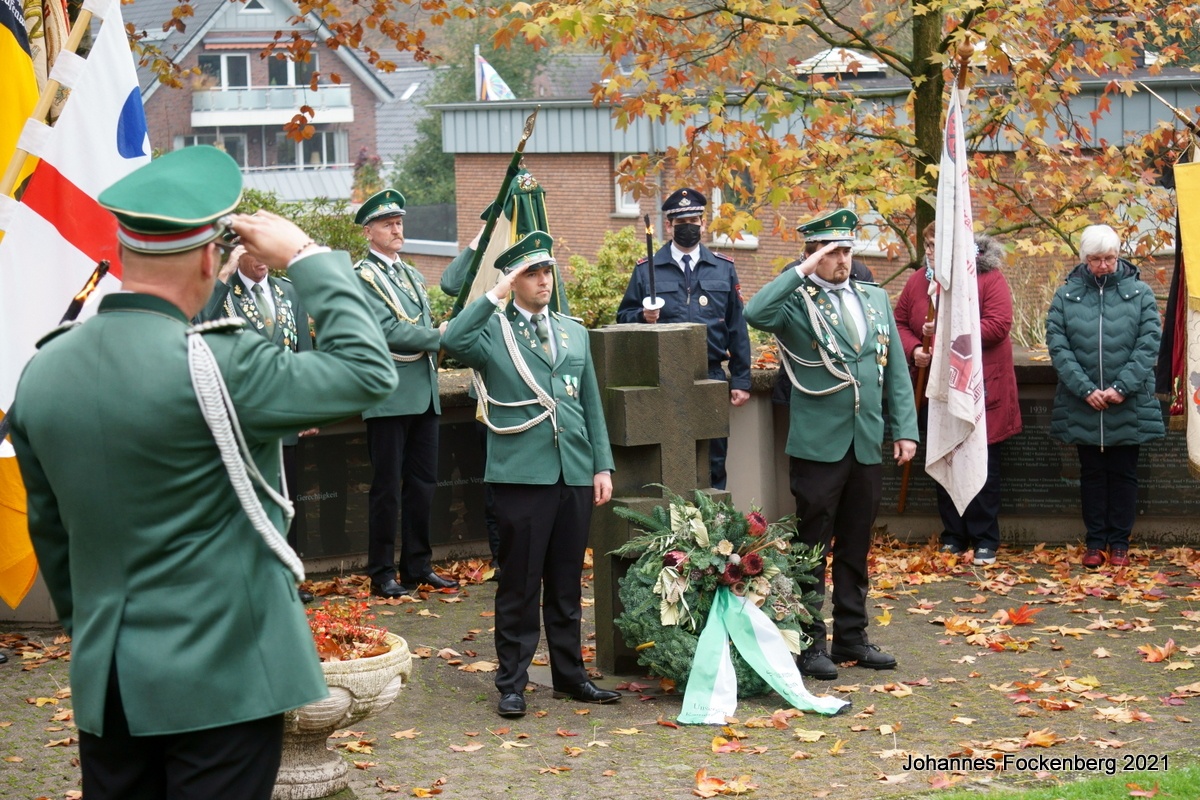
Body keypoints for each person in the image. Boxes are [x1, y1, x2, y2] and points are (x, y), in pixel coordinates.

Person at [7, 146, 397, 800]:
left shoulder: (44, 371)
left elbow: (53, 537)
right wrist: (305, 255)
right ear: (208, 260)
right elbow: (368, 372)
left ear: (122, 252)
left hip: (111, 681)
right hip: (225, 680)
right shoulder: (222, 363)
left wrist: (96, 635)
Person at [442, 231, 619, 718]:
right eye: (531, 274)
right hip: (521, 475)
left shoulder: (573, 331)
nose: (543, 281)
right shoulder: (493, 331)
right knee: (519, 585)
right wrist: (495, 293)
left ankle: (570, 676)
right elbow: (452, 341)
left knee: (566, 584)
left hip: (573, 471)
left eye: (546, 272)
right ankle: (512, 683)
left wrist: (601, 464)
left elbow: (590, 402)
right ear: (514, 281)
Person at [744, 209, 918, 682]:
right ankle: (808, 642)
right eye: (832, 252)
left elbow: (894, 370)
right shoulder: (797, 302)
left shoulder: (873, 297)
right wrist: (800, 272)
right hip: (818, 446)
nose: (843, 260)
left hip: (865, 441)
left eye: (846, 251)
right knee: (811, 548)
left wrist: (905, 429)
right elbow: (755, 312)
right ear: (812, 255)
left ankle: (851, 637)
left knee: (856, 546)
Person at [893, 228, 1023, 566]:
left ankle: (984, 538)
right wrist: (915, 350)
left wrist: (944, 336)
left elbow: (998, 325)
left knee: (981, 464)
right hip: (938, 390)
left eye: (938, 245)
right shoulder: (919, 281)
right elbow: (900, 323)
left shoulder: (987, 278)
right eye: (928, 245)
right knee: (944, 457)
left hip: (979, 390)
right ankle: (953, 535)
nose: (931, 252)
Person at [353, 189, 457, 597]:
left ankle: (417, 565)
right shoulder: (363, 277)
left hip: (423, 391)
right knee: (386, 490)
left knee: (423, 485)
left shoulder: (411, 275)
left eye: (399, 223)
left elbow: (419, 323)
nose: (397, 230)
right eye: (387, 224)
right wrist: (438, 336)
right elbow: (386, 330)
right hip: (390, 394)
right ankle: (381, 573)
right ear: (368, 232)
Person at [199, 246, 318, 600]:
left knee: (286, 501)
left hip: (285, 416)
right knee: (246, 503)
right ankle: (249, 582)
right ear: (238, 254)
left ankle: (287, 578)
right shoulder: (223, 291)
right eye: (252, 252)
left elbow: (304, 350)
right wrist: (223, 274)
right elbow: (199, 325)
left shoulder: (289, 290)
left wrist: (309, 406)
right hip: (242, 418)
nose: (262, 258)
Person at [615, 188, 751, 490]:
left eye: (693, 221)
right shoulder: (647, 269)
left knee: (714, 455)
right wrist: (642, 316)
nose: (688, 227)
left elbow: (737, 327)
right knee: (666, 456)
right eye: (681, 222)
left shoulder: (723, 268)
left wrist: (741, 380)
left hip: (710, 374)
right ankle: (670, 519)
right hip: (662, 376)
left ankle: (715, 518)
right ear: (669, 226)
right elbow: (622, 317)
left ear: (703, 223)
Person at [1046, 224, 1164, 569]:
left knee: (1125, 474)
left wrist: (1121, 387)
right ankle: (1095, 542)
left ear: (1118, 255)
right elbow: (1058, 345)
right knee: (1092, 474)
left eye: (1109, 258)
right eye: (1096, 259)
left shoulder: (1141, 293)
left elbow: (1148, 344)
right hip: (1083, 402)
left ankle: (1120, 544)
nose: (1103, 266)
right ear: (1085, 258)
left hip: (1128, 402)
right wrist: (1085, 389)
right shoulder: (1066, 295)